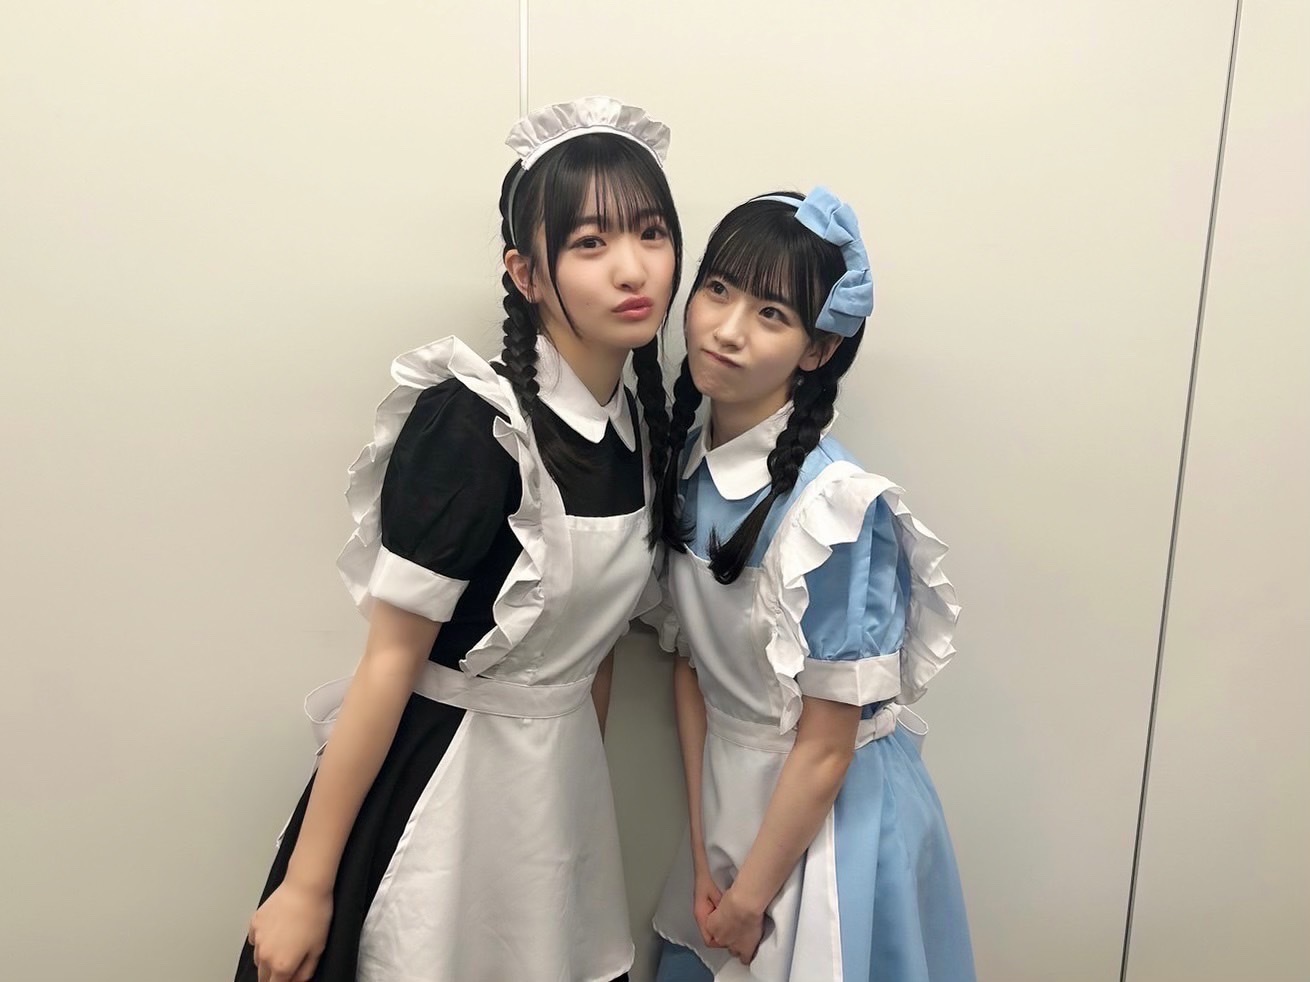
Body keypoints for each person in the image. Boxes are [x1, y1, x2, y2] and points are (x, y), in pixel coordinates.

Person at [237, 95, 683, 982]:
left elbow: (592, 663)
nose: (632, 268)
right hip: (438, 790)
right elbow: (388, 664)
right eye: (590, 243)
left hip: (557, 806)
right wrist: (307, 887)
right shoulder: (475, 425)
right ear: (526, 273)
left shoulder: (637, 432)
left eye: (651, 233)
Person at [650, 188, 974, 981]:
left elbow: (828, 748)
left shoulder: (835, 510)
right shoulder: (687, 466)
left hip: (832, 824)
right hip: (730, 813)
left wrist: (749, 899)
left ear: (818, 349)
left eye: (771, 313)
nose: (727, 329)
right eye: (717, 289)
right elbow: (690, 672)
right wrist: (702, 847)